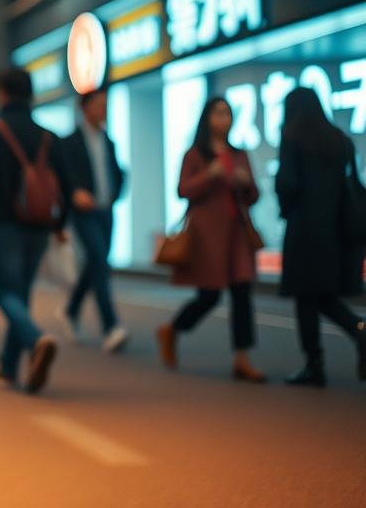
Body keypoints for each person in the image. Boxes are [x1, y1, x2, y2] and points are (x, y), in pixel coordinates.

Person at [0, 67, 68, 394]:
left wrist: (1, 195)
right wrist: (59, 224)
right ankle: (7, 367)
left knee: (7, 296)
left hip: (6, 225)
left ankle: (36, 340)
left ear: (2, 93)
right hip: (39, 225)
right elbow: (64, 186)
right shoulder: (47, 137)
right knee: (21, 293)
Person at [156, 97, 265, 383]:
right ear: (207, 118)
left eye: (227, 113)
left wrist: (245, 183)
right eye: (218, 113)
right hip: (207, 236)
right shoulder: (195, 155)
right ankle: (173, 329)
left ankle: (242, 358)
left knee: (242, 292)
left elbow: (254, 195)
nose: (223, 119)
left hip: (236, 234)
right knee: (209, 295)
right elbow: (183, 190)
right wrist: (210, 175)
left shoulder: (239, 154)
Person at [275, 87, 366, 387]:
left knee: (306, 297)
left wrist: (285, 207)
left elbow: (287, 184)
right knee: (323, 295)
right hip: (337, 229)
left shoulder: (292, 137)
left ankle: (314, 364)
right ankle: (357, 328)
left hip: (305, 229)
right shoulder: (339, 139)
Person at [58, 88, 128, 352]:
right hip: (83, 212)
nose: (104, 110)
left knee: (95, 263)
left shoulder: (108, 141)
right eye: (100, 105)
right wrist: (74, 193)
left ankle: (71, 309)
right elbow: (63, 177)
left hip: (105, 209)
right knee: (99, 260)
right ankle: (111, 327)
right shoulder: (69, 142)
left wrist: (115, 194)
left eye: (106, 104)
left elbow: (116, 172)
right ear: (84, 108)